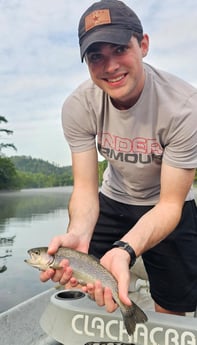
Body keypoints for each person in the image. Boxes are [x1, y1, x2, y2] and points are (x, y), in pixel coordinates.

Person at [40, 0, 197, 316]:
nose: (110, 66)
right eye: (97, 56)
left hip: (166, 205)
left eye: (119, 50)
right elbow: (85, 189)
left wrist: (126, 249)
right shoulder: (78, 106)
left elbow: (169, 204)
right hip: (113, 198)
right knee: (84, 288)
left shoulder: (185, 108)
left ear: (143, 45)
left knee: (173, 304)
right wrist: (79, 234)